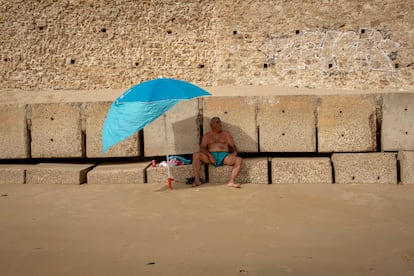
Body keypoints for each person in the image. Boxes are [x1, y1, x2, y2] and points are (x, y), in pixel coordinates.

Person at [192, 117, 242, 188]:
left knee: (238, 160)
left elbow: (233, 145)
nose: (220, 124)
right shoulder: (207, 135)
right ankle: (197, 180)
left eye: (220, 122)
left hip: (224, 156)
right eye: (217, 122)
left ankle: (231, 181)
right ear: (212, 125)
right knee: (196, 155)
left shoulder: (225, 134)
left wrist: (235, 152)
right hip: (210, 156)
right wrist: (209, 155)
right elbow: (202, 148)